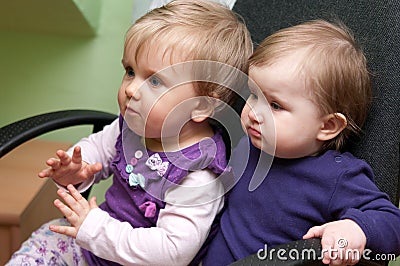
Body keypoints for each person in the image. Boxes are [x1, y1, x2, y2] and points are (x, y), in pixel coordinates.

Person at [6, 1, 252, 265]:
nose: (131, 89)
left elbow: (172, 252)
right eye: (130, 71)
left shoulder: (199, 174)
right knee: (43, 242)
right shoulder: (135, 125)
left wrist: (95, 228)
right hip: (93, 244)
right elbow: (98, 147)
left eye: (155, 80)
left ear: (201, 105)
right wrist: (78, 170)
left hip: (136, 257)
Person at [203, 20, 400, 266]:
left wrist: (355, 229)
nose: (253, 112)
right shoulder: (250, 145)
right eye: (253, 94)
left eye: (275, 105)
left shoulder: (337, 176)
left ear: (327, 127)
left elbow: (392, 223)